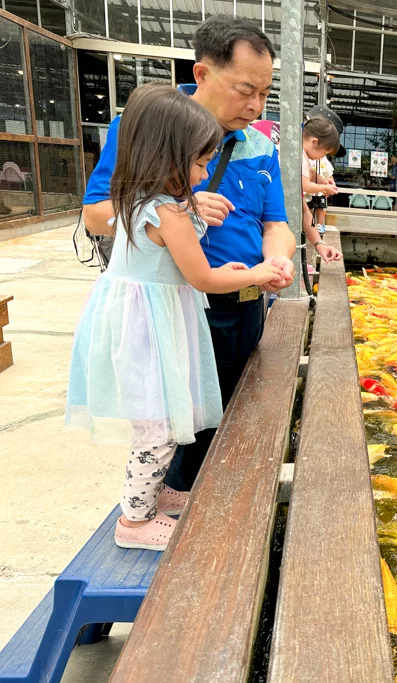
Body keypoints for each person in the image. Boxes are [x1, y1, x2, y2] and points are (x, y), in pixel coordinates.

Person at [81, 16, 333, 492]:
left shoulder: (260, 144)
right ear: (202, 74)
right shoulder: (144, 127)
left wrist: (275, 262)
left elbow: (275, 222)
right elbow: (97, 215)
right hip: (180, 309)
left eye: (264, 92)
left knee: (231, 425)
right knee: (178, 432)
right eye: (244, 90)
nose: (255, 105)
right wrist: (181, 205)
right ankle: (167, 522)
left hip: (245, 306)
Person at [66, 85, 283, 550]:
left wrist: (222, 267)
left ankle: (154, 494)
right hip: (152, 330)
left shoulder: (136, 201)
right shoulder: (169, 213)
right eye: (201, 163)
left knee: (154, 420)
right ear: (169, 160)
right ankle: (136, 522)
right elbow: (201, 278)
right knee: (160, 427)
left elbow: (177, 267)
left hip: (137, 323)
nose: (206, 174)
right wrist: (260, 271)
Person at [302, 118, 340, 243]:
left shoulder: (303, 156)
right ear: (314, 142)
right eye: (324, 152)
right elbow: (306, 185)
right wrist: (324, 188)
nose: (323, 156)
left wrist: (324, 181)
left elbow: (311, 174)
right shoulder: (300, 156)